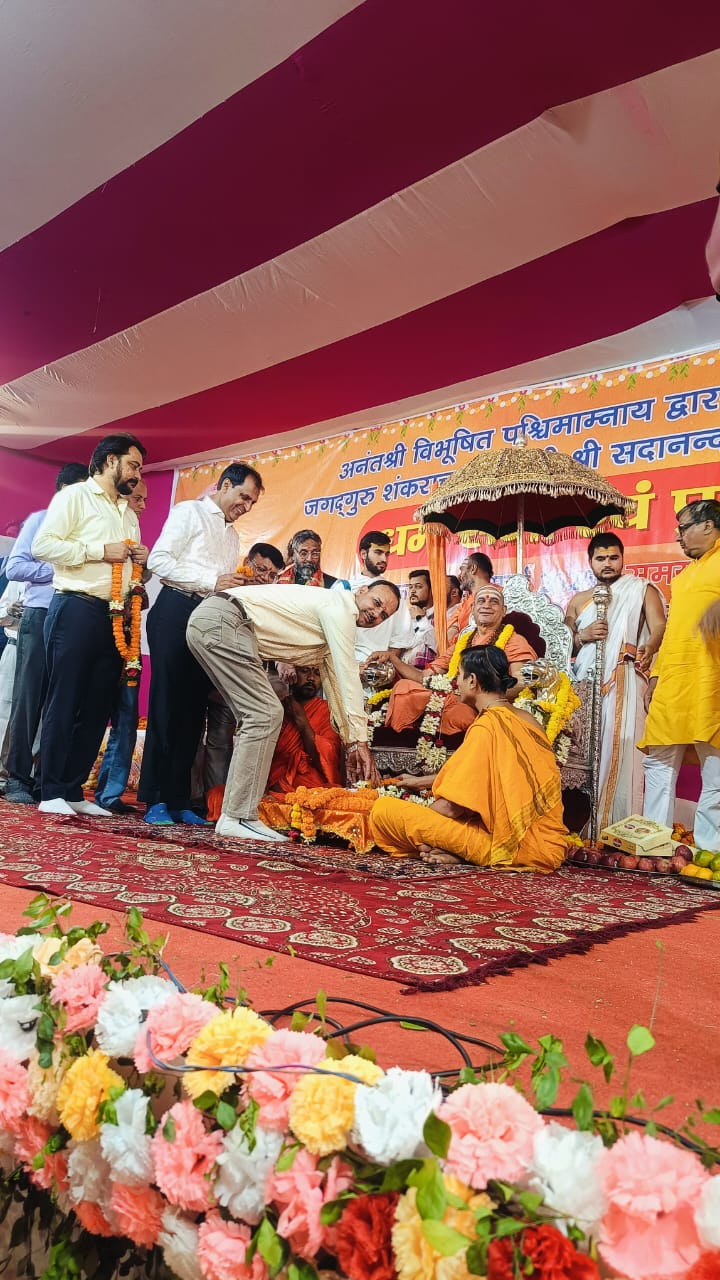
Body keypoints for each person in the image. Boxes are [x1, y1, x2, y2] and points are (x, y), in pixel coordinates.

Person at [186, 579, 400, 840]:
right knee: (265, 713)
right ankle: (238, 816)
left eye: (383, 615)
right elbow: (346, 675)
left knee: (259, 714)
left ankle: (234, 815)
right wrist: (360, 741)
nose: (376, 614)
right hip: (225, 621)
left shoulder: (333, 620)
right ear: (362, 591)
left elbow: (335, 683)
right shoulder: (340, 608)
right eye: (376, 603)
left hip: (213, 621)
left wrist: (353, 742)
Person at [139, 462, 262, 826]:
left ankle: (180, 799)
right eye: (244, 497)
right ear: (224, 486)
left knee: (194, 711)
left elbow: (220, 584)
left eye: (252, 503)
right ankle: (155, 799)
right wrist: (212, 580)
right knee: (167, 705)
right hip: (175, 610)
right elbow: (159, 561)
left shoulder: (232, 536)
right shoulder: (189, 512)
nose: (246, 507)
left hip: (208, 620)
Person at [31, 433, 148, 816]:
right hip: (75, 608)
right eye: (133, 465)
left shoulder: (128, 512)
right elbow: (43, 546)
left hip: (114, 616)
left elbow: (125, 567)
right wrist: (99, 551)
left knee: (98, 705)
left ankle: (73, 790)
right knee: (65, 699)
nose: (137, 475)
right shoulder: (75, 496)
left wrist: (139, 561)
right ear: (111, 460)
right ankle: (50, 790)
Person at [370, 645, 568, 870]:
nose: (456, 683)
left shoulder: (487, 726)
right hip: (548, 844)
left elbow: (450, 808)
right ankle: (454, 850)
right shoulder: (528, 720)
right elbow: (490, 778)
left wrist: (421, 821)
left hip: (512, 847)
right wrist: (420, 782)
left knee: (384, 811)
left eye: (459, 676)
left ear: (472, 681)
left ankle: (457, 849)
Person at [565, 533, 666, 827]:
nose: (607, 564)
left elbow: (660, 625)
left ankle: (622, 824)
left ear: (622, 559)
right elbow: (562, 643)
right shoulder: (578, 601)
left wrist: (651, 646)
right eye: (601, 558)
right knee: (585, 753)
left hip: (626, 679)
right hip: (585, 685)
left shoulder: (641, 589)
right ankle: (585, 824)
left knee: (623, 748)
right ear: (590, 562)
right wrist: (582, 636)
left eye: (613, 557)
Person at [3, 463, 89, 804]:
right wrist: (58, 568)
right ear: (64, 490)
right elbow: (14, 567)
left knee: (63, 702)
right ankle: (16, 779)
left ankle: (46, 780)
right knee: (28, 700)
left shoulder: (88, 529)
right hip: (39, 614)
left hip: (75, 618)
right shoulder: (40, 520)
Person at [638, 500, 720, 850]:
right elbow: (671, 632)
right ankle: (654, 845)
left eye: (684, 528)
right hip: (674, 680)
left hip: (711, 682)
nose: (678, 536)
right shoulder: (684, 576)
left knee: (715, 769)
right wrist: (656, 676)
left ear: (708, 525)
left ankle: (710, 852)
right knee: (658, 763)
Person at [382, 584, 536, 737]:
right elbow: (424, 676)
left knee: (459, 715)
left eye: (494, 602)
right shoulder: (462, 642)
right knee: (404, 688)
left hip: (483, 705)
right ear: (473, 610)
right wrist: (393, 658)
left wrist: (479, 696)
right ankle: (403, 737)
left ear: (503, 610)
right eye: (481, 601)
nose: (486, 605)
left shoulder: (514, 641)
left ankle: (426, 730)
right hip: (452, 697)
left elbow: (521, 683)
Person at [94, 481, 149, 813]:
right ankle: (64, 786)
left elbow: (141, 591)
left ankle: (110, 794)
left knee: (127, 718)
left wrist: (145, 565)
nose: (142, 505)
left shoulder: (136, 537)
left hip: (130, 641)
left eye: (145, 500)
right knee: (90, 713)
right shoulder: (103, 533)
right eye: (137, 498)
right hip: (99, 634)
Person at [266, 665, 345, 793]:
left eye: (317, 673)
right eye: (305, 671)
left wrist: (302, 722)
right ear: (292, 673)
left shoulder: (328, 711)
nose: (311, 678)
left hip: (311, 783)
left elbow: (326, 761)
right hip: (274, 779)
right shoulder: (277, 708)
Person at [343, 531, 414, 663]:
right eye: (378, 552)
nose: (384, 559)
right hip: (340, 664)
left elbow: (399, 642)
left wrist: (380, 666)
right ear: (363, 554)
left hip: (374, 669)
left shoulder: (394, 598)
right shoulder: (344, 588)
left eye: (387, 554)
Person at [447, 553, 494, 642]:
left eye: (462, 570)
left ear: (473, 569)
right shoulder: (465, 603)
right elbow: (449, 632)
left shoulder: (499, 596)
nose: (459, 576)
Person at [276, 530, 344, 589]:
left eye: (315, 554)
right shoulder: (277, 580)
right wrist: (283, 564)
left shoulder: (333, 585)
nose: (309, 559)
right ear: (293, 554)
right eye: (303, 553)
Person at [402, 569, 437, 668]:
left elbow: (438, 646)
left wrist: (420, 619)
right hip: (404, 671)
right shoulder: (405, 617)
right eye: (410, 587)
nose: (413, 591)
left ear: (431, 590)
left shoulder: (440, 616)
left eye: (418, 586)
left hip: (430, 673)